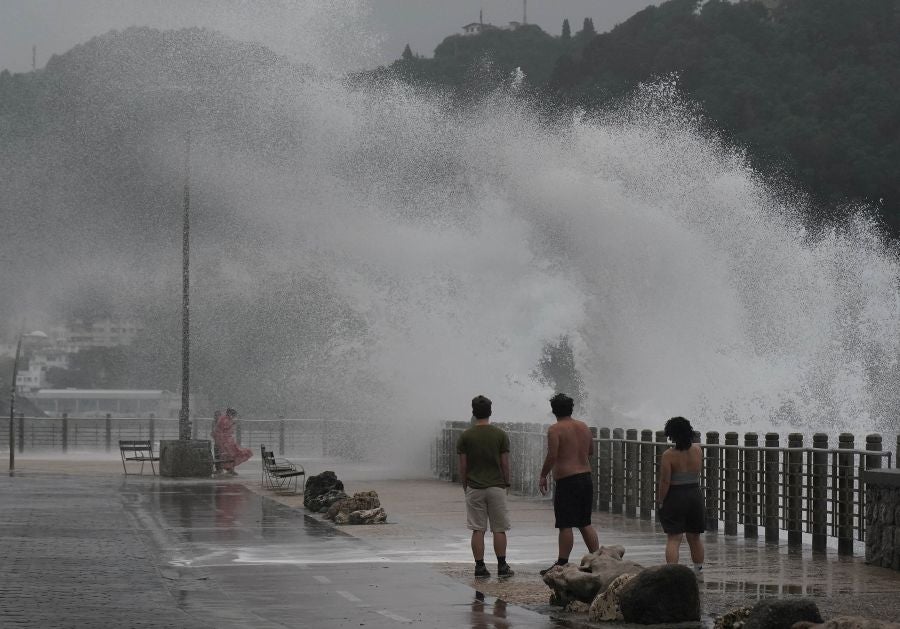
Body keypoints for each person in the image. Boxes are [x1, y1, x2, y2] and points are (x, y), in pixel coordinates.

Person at [538, 393, 599, 575]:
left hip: (567, 480)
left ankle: (562, 563)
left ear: (553, 410)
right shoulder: (584, 426)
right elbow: (590, 451)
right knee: (585, 522)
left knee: (565, 524)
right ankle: (597, 559)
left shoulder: (555, 430)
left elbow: (553, 455)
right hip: (585, 478)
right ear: (571, 408)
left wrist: (543, 474)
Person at [456, 395, 514, 579]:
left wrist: (466, 485)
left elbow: (463, 466)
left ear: (473, 412)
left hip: (474, 486)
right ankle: (502, 565)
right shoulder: (500, 435)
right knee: (499, 528)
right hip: (496, 486)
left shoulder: (465, 436)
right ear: (490, 411)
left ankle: (480, 567)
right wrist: (506, 482)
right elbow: (505, 464)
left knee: (478, 529)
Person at [657, 416, 705, 579]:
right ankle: (698, 572)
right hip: (694, 494)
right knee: (695, 537)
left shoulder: (668, 455)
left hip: (676, 495)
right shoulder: (698, 450)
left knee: (674, 538)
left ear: (672, 434)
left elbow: (665, 481)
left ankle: (672, 575)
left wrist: (661, 500)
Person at [211, 407, 253, 475]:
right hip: (225, 441)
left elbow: (220, 430)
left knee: (229, 455)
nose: (233, 417)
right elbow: (223, 430)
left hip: (225, 441)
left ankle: (226, 469)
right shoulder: (225, 420)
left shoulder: (224, 419)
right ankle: (228, 469)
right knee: (230, 454)